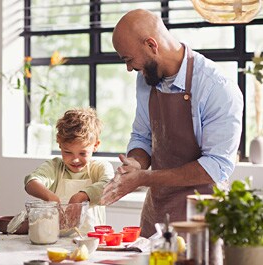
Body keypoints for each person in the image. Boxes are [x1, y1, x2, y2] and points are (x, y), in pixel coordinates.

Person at [101, 9, 243, 238]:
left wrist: (143, 178)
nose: (129, 68)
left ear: (151, 45)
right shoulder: (146, 79)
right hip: (157, 214)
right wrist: (135, 165)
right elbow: (142, 136)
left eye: (129, 60)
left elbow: (216, 166)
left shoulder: (217, 87)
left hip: (202, 218)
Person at [24, 107, 114, 233]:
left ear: (96, 146)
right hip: (55, 240)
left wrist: (80, 197)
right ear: (59, 143)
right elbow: (31, 182)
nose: (75, 160)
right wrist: (52, 198)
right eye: (68, 152)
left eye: (82, 153)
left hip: (91, 242)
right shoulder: (54, 167)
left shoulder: (99, 168)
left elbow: (110, 185)